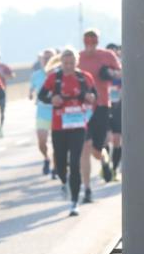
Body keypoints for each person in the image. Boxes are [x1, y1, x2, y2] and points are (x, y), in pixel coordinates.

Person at [37, 49, 98, 216]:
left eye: (72, 63)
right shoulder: (54, 78)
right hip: (59, 127)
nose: (69, 66)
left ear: (76, 62)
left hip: (78, 126)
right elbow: (41, 95)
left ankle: (74, 202)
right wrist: (52, 99)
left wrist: (91, 98)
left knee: (75, 162)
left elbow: (95, 95)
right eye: (65, 63)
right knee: (61, 163)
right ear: (61, 63)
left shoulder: (84, 77)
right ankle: (64, 181)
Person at [77, 28, 122, 200]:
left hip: (102, 106)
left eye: (93, 40)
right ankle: (87, 189)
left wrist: (109, 73)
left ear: (98, 41)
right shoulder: (78, 57)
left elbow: (121, 72)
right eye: (87, 40)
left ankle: (104, 159)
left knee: (97, 149)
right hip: (82, 108)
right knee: (85, 147)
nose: (90, 43)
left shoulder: (107, 55)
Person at [29, 49, 57, 177]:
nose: (47, 60)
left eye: (50, 58)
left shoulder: (60, 74)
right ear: (41, 60)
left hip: (57, 113)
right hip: (42, 113)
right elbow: (32, 89)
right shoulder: (36, 75)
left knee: (57, 144)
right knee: (41, 142)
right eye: (45, 58)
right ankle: (46, 158)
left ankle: (56, 167)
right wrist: (31, 94)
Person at [106, 43, 124, 179]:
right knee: (105, 140)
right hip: (104, 107)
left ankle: (114, 168)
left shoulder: (123, 68)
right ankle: (106, 165)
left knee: (117, 139)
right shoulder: (101, 69)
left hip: (118, 107)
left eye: (114, 52)